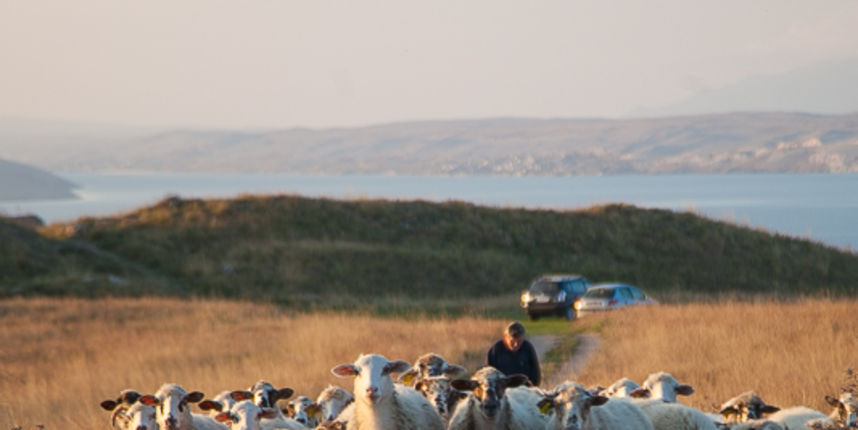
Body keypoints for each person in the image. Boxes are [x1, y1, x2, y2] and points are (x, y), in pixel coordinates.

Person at [486, 321, 541, 386]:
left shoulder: (527, 348)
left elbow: (535, 374)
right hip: (503, 390)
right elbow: (489, 374)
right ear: (505, 337)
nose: (516, 344)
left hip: (524, 390)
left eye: (519, 341)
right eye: (512, 341)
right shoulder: (495, 350)